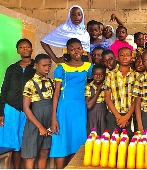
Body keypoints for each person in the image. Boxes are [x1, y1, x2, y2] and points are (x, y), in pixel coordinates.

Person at [50, 38, 93, 168]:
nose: (76, 51)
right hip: (64, 108)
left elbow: (91, 83)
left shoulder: (88, 67)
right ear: (67, 51)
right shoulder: (61, 67)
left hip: (80, 108)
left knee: (77, 142)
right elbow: (56, 93)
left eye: (78, 48)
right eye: (72, 49)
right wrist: (53, 118)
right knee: (62, 142)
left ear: (83, 49)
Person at [0, 38, 36, 169]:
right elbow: (4, 90)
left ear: (32, 48)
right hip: (11, 108)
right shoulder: (12, 69)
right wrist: (1, 112)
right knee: (11, 143)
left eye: (27, 46)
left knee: (25, 142)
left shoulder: (37, 67)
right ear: (17, 50)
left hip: (29, 110)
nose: (25, 49)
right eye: (22, 47)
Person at [21, 54, 53, 169]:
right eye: (44, 65)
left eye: (49, 66)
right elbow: (26, 108)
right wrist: (40, 127)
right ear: (36, 65)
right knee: (31, 155)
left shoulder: (51, 82)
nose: (47, 68)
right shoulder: (30, 84)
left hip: (48, 122)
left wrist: (51, 123)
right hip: (35, 123)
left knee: (44, 153)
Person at [104, 47, 136, 138]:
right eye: (122, 55)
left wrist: (126, 117)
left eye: (128, 55)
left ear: (131, 58)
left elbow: (136, 99)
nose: (125, 57)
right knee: (113, 144)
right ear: (117, 58)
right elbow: (107, 98)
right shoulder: (110, 75)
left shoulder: (136, 76)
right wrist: (118, 116)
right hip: (113, 115)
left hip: (129, 116)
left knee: (129, 146)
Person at [85, 64, 107, 135]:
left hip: (104, 114)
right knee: (92, 135)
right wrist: (98, 91)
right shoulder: (88, 87)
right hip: (92, 115)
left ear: (104, 75)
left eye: (101, 75)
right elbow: (89, 106)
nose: (98, 77)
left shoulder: (106, 86)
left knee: (103, 135)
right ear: (92, 75)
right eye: (95, 75)